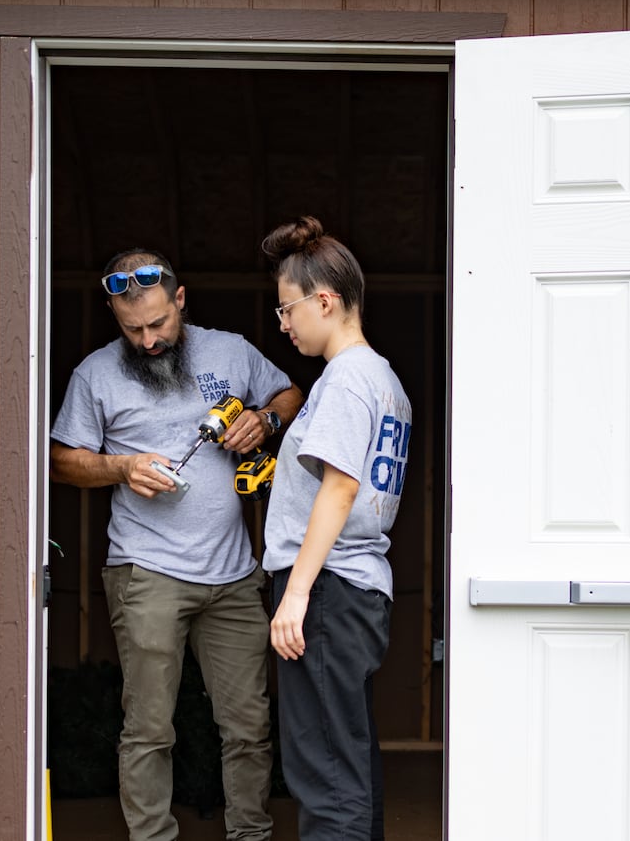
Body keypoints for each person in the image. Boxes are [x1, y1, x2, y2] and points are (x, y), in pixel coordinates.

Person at [49, 249, 304, 841]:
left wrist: (265, 421)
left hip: (235, 575)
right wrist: (121, 467)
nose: (148, 340)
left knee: (248, 725)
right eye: (132, 328)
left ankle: (250, 834)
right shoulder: (95, 374)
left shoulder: (231, 350)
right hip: (146, 571)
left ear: (181, 300)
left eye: (159, 323)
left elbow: (292, 393)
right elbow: (62, 460)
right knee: (149, 728)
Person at [260, 217, 413, 841]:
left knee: (323, 773)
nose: (284, 324)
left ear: (324, 300)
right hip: (355, 589)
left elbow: (341, 485)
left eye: (286, 309)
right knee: (347, 761)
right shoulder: (384, 379)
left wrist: (295, 594)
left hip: (325, 590)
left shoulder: (347, 378)